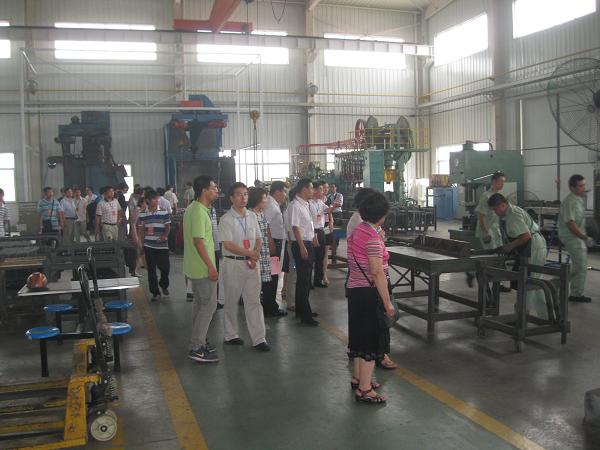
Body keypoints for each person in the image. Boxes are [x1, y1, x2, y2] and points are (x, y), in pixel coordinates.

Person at [347, 191, 395, 404]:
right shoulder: (373, 237)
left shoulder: (359, 230)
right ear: (382, 215)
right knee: (370, 341)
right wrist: (387, 302)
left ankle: (358, 378)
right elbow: (376, 272)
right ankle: (365, 389)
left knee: (359, 337)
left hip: (355, 290)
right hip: (369, 293)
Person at [219, 182, 270, 351]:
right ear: (231, 198)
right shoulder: (226, 219)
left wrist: (254, 255)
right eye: (239, 194)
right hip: (233, 263)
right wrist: (250, 253)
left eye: (246, 194)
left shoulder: (252, 216)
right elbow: (228, 245)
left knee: (254, 301)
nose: (243, 198)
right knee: (231, 300)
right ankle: (231, 335)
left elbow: (259, 238)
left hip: (251, 264)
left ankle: (259, 339)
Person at [489, 193, 547, 317]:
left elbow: (526, 236)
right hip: (534, 245)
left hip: (533, 247)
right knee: (536, 283)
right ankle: (546, 316)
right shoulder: (509, 213)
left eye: (495, 209)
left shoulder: (512, 216)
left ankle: (520, 317)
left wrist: (509, 247)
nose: (495, 212)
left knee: (527, 282)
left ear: (502, 205)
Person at [184, 176, 220, 363]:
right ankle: (196, 347)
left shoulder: (193, 208)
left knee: (199, 305)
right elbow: (198, 242)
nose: (216, 191)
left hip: (194, 267)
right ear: (204, 191)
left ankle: (199, 340)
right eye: (213, 188)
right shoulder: (199, 211)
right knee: (209, 305)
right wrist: (211, 267)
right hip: (202, 268)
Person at [471, 172, 511, 291]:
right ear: (494, 182)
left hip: (495, 231)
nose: (503, 184)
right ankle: (492, 283)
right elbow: (481, 216)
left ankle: (496, 282)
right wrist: (486, 233)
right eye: (501, 181)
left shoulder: (499, 196)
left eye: (504, 182)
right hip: (487, 231)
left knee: (498, 256)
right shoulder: (486, 196)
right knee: (493, 257)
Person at [558, 174, 593, 303]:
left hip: (578, 237)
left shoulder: (579, 200)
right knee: (579, 265)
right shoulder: (570, 201)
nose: (583, 188)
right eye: (580, 185)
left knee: (580, 266)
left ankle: (575, 293)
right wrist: (584, 237)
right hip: (572, 237)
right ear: (572, 187)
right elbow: (570, 223)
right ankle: (559, 284)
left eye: (584, 185)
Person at [289, 178, 318, 326]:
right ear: (304, 189)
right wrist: (302, 246)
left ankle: (301, 310)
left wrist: (313, 238)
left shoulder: (305, 204)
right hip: (301, 244)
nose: (313, 191)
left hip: (307, 242)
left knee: (305, 279)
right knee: (304, 280)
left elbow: (308, 224)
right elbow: (295, 227)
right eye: (311, 188)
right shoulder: (295, 205)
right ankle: (305, 316)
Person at [137, 190, 171, 302]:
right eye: (154, 199)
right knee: (151, 271)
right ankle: (155, 293)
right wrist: (141, 244)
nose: (157, 201)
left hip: (162, 246)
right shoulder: (142, 214)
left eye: (157, 199)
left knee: (165, 268)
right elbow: (141, 230)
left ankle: (163, 285)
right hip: (149, 245)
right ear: (148, 200)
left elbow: (167, 227)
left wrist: (164, 236)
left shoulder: (164, 212)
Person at [248, 187, 277, 317]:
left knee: (269, 280)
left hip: (266, 251)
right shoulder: (250, 215)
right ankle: (257, 309)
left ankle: (268, 307)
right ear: (257, 199)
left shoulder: (261, 213)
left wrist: (271, 243)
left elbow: (267, 229)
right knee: (256, 282)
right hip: (257, 253)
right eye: (264, 198)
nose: (266, 200)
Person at [262, 181, 288, 316]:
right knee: (272, 276)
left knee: (273, 275)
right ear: (278, 191)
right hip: (273, 245)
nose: (285, 195)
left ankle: (270, 304)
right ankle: (270, 307)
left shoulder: (273, 204)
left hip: (275, 243)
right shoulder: (271, 206)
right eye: (284, 192)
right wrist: (271, 242)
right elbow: (264, 223)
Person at [309, 181, 328, 288]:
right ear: (315, 190)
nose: (323, 191)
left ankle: (318, 280)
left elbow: (328, 210)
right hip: (313, 231)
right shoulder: (309, 203)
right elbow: (309, 221)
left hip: (321, 231)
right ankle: (309, 282)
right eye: (321, 189)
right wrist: (313, 235)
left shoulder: (320, 202)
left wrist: (334, 206)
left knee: (320, 257)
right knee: (311, 257)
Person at [320, 181, 334, 286]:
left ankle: (324, 275)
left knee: (325, 253)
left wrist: (331, 222)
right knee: (318, 253)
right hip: (318, 227)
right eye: (324, 188)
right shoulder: (314, 201)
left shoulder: (327, 199)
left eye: (327, 187)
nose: (326, 190)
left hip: (327, 227)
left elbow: (330, 213)